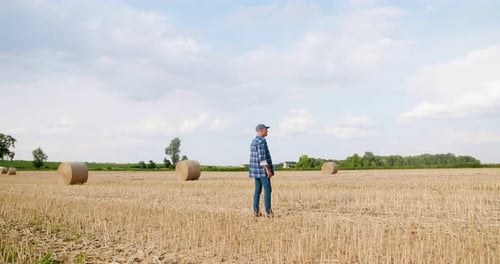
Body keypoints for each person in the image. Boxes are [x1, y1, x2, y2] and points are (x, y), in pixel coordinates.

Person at [249, 123, 274, 217]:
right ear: (261, 130)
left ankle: (256, 211)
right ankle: (268, 212)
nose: (267, 131)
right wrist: (268, 170)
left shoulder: (253, 141)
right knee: (268, 189)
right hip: (262, 171)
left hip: (255, 171)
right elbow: (262, 158)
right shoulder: (261, 141)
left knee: (257, 190)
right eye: (266, 129)